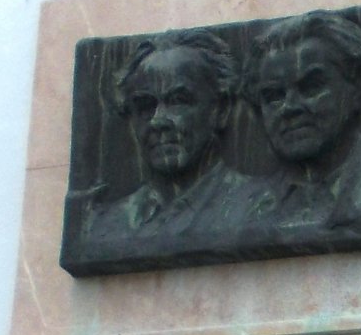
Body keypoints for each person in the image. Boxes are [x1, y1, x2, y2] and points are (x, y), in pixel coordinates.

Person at [245, 10, 361, 232]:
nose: (290, 107)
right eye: (274, 96)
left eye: (311, 87)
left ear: (357, 88)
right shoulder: (244, 206)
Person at [99, 30, 258, 242]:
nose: (157, 120)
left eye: (178, 101)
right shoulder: (107, 224)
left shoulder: (259, 205)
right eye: (145, 106)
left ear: (221, 110)